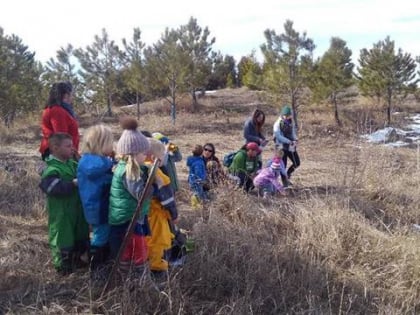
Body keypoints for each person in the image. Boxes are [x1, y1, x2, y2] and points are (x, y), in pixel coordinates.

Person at [39, 132, 89, 275]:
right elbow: (52, 188)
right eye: (68, 146)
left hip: (77, 210)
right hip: (62, 213)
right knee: (62, 237)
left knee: (80, 235)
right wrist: (72, 183)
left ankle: (78, 260)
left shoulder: (73, 163)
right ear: (55, 148)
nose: (72, 149)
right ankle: (63, 267)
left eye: (72, 145)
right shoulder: (51, 169)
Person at [108, 117, 151, 272]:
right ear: (133, 154)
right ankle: (139, 279)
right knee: (138, 249)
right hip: (128, 219)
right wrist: (153, 183)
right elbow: (141, 194)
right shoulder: (130, 172)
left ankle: (127, 278)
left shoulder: (125, 167)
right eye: (143, 152)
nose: (146, 155)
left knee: (129, 250)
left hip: (128, 217)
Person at [77, 124, 115, 271]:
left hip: (100, 203)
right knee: (101, 234)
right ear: (101, 143)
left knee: (104, 233)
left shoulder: (97, 159)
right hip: (96, 205)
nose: (112, 147)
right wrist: (110, 162)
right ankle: (95, 265)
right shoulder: (90, 161)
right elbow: (94, 171)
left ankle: (100, 259)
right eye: (110, 143)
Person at [144, 138, 178, 278]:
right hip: (158, 215)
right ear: (154, 157)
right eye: (162, 156)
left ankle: (146, 264)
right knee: (159, 241)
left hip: (146, 214)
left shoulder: (140, 168)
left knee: (148, 240)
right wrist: (174, 215)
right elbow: (167, 198)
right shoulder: (157, 173)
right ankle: (157, 269)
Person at [39, 82, 79, 161]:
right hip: (59, 155)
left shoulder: (60, 109)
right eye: (71, 94)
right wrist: (72, 155)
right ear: (65, 95)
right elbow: (61, 136)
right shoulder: (57, 111)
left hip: (62, 151)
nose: (72, 97)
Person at [273, 105, 300, 185]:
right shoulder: (277, 124)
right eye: (286, 115)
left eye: (289, 115)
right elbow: (279, 136)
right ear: (282, 114)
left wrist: (295, 139)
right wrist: (288, 141)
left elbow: (293, 132)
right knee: (283, 165)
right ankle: (285, 182)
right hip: (281, 147)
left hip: (290, 146)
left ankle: (288, 174)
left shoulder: (291, 122)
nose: (288, 117)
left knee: (297, 162)